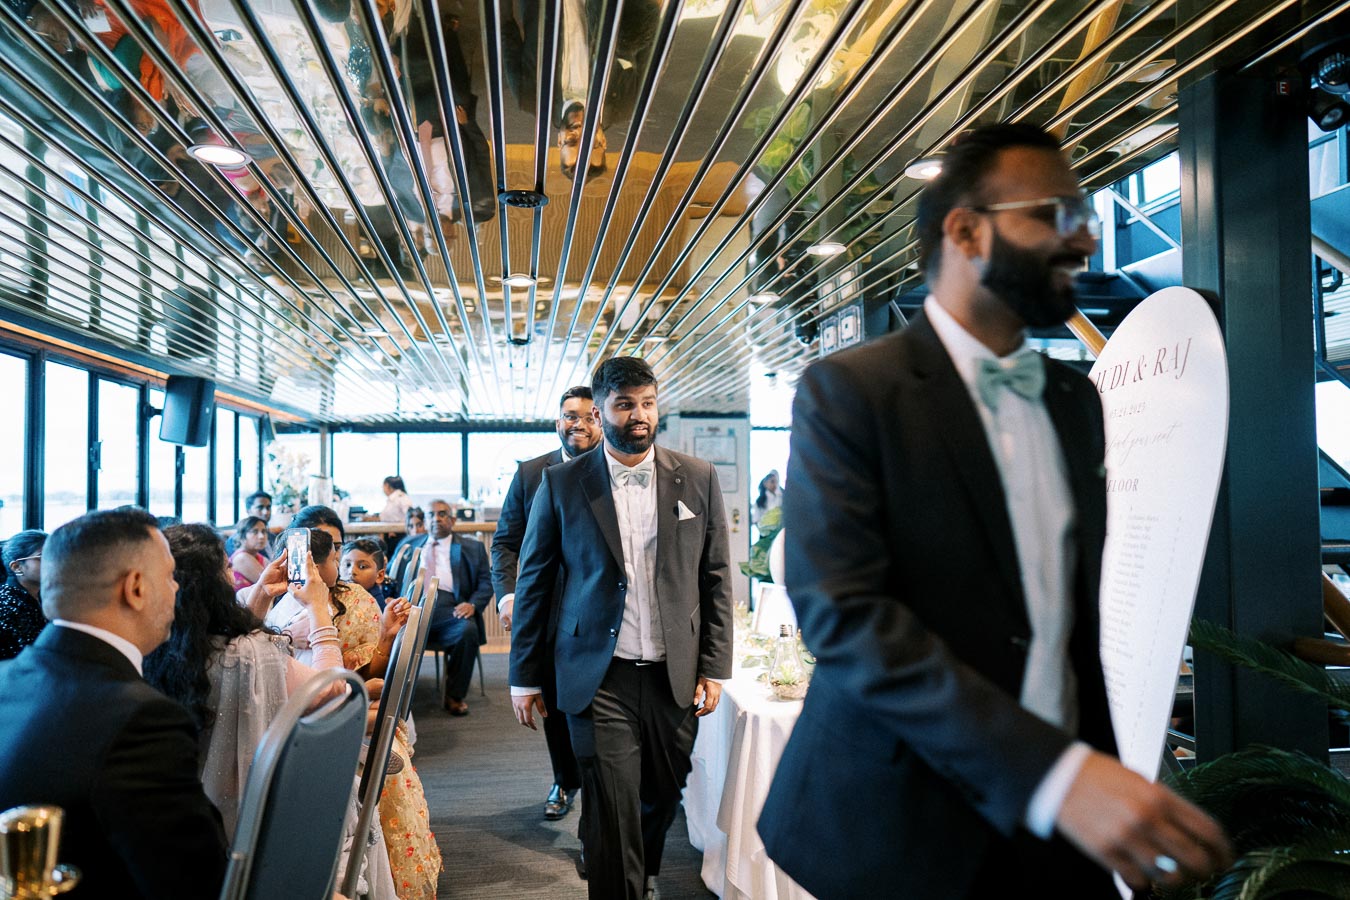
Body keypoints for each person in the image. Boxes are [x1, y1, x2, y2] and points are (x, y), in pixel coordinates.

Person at [756, 123, 1233, 899]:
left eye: (1086, 215)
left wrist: (1105, 782)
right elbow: (844, 616)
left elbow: (1065, 629)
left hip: (1059, 830)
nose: (1083, 240)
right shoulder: (851, 392)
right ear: (965, 229)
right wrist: (1059, 776)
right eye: (1053, 214)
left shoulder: (1077, 400)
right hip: (902, 823)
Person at [509, 356, 732, 900]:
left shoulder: (697, 478)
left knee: (660, 795)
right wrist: (524, 676)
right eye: (625, 404)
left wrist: (714, 665)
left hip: (671, 674)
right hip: (596, 675)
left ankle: (641, 872)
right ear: (602, 411)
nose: (639, 415)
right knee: (611, 808)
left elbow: (717, 576)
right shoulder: (562, 484)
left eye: (648, 403)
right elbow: (534, 580)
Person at [0, 508, 228, 899]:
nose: (176, 589)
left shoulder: (7, 679)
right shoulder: (141, 719)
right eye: (170, 576)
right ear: (136, 587)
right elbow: (199, 882)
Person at [143, 524, 344, 834]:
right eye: (226, 567)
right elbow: (330, 693)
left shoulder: (154, 645)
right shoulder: (251, 655)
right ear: (213, 585)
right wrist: (318, 608)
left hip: (175, 809)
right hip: (251, 812)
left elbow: (225, 639)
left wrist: (261, 593)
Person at [492, 386, 602, 824]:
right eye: (569, 415)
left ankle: (600, 802)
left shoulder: (616, 470)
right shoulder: (531, 473)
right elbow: (505, 542)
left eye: (589, 415)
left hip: (600, 613)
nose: (579, 423)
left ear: (603, 419)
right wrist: (509, 593)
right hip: (548, 612)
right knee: (555, 705)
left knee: (596, 710)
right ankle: (565, 779)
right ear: (557, 421)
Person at [387, 500, 492, 716]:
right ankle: (391, 694)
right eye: (431, 515)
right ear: (425, 521)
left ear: (452, 520)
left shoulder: (473, 548)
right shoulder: (409, 545)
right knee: (384, 631)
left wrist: (472, 604)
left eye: (442, 514)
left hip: (450, 610)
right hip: (411, 608)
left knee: (467, 631)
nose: (436, 518)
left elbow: (486, 582)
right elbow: (390, 578)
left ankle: (454, 695)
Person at [0, 529, 47, 660]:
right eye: (43, 558)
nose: (53, 563)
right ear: (16, 567)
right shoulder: (7, 606)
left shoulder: (45, 596)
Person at [342, 538, 391, 608]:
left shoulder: (375, 604)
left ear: (379, 576)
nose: (351, 571)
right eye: (347, 565)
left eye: (362, 567)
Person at [229, 515, 270, 589]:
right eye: (255, 532)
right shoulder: (241, 558)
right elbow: (269, 584)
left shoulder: (262, 558)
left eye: (264, 532)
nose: (261, 536)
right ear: (242, 536)